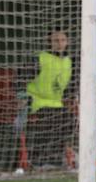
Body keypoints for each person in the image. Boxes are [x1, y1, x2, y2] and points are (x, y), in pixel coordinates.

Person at [20, 29, 77, 169]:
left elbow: (70, 86)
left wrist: (73, 97)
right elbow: (20, 79)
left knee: (70, 120)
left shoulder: (69, 61)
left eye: (63, 40)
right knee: (50, 119)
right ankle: (39, 161)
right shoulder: (40, 58)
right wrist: (21, 97)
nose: (59, 43)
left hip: (57, 103)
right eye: (56, 40)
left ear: (67, 42)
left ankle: (57, 159)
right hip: (37, 101)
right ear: (49, 43)